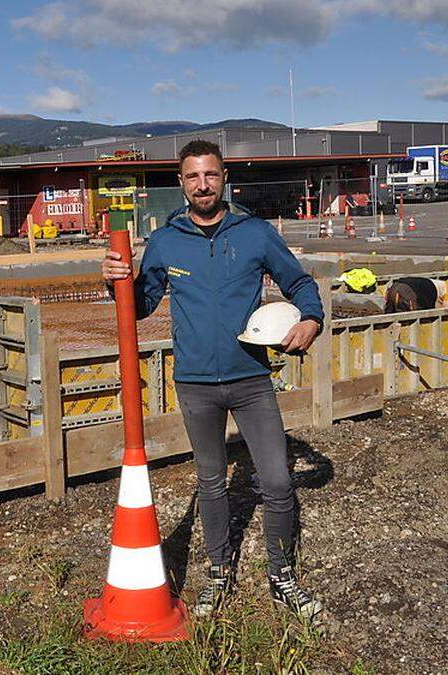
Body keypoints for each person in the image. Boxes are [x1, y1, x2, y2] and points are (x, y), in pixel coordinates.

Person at [102, 140, 325, 619]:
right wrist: (116, 280)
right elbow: (139, 307)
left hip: (250, 378)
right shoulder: (165, 242)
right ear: (181, 183)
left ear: (225, 178)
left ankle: (282, 576)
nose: (202, 185)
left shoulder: (255, 234)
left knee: (278, 481)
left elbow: (300, 283)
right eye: (192, 177)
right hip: (196, 383)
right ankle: (219, 573)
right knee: (211, 482)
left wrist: (310, 319)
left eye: (210, 175)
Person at [383, 277, 448, 313]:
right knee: (409, 318)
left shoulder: (438, 284)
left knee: (390, 314)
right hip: (407, 291)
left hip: (396, 285)